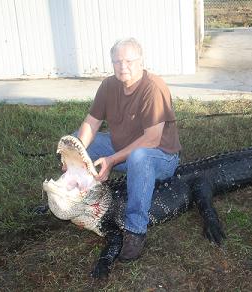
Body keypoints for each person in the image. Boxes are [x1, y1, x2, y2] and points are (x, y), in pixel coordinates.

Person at [74, 37, 181, 261]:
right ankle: (74, 195)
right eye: (117, 61)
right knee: (76, 140)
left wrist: (111, 160)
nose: (123, 67)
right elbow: (92, 122)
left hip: (160, 156)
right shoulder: (108, 85)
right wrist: (77, 151)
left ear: (141, 61)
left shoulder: (154, 87)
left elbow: (151, 140)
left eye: (129, 61)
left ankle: (135, 231)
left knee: (139, 157)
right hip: (121, 147)